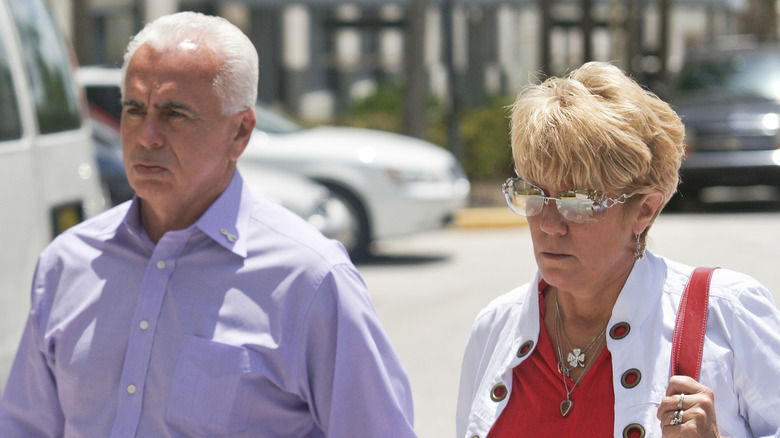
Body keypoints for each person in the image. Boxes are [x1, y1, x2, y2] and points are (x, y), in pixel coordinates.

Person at [0, 11, 416, 437]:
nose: (147, 136)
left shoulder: (309, 280)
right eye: (133, 109)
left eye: (175, 113)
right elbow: (25, 426)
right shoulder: (68, 264)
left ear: (240, 132)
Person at [456, 61, 780, 438]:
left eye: (578, 203)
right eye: (533, 195)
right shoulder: (495, 329)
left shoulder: (725, 313)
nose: (549, 224)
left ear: (644, 209)